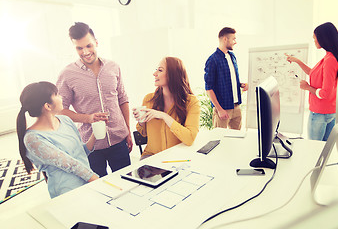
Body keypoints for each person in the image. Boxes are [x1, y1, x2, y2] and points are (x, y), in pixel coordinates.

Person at [56, 22, 132, 177]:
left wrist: (128, 130)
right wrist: (88, 118)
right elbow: (59, 111)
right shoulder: (67, 74)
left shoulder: (113, 67)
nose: (85, 52)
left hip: (119, 139)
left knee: (127, 182)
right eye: (79, 48)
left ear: (96, 43)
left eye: (89, 46)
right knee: (98, 190)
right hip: (90, 146)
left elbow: (122, 99)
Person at [16, 82, 99, 198]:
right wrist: (97, 180)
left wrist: (95, 135)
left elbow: (81, 152)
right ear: (48, 106)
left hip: (88, 184)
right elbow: (70, 164)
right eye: (57, 94)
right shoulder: (32, 139)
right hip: (67, 192)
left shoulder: (66, 120)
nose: (61, 97)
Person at [285, 22, 338, 141]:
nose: (314, 41)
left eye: (315, 38)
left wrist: (307, 87)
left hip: (320, 113)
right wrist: (297, 61)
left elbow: (325, 93)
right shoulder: (332, 56)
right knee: (322, 148)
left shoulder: (330, 60)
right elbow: (313, 72)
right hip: (330, 111)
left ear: (323, 38)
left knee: (313, 148)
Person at [133, 57, 200, 159]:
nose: (154, 73)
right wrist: (141, 121)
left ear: (173, 74)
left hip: (178, 157)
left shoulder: (191, 102)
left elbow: (189, 138)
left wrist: (164, 116)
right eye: (156, 70)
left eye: (160, 70)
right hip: (151, 156)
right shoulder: (148, 99)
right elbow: (144, 133)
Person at [204, 27, 249, 130]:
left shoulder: (232, 56)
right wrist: (219, 109)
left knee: (237, 139)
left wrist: (241, 85)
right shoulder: (212, 60)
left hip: (236, 107)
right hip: (223, 110)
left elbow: (229, 80)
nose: (235, 42)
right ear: (225, 39)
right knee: (220, 140)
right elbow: (209, 88)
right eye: (233, 39)